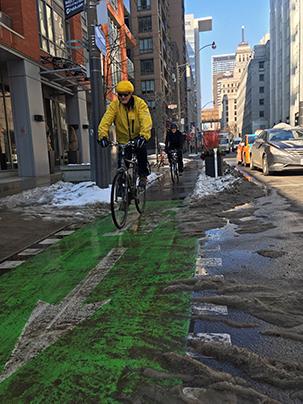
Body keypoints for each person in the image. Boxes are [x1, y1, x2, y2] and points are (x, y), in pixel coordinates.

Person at [98, 80, 152, 187]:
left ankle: (143, 176)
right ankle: (122, 186)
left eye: (125, 94)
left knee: (141, 154)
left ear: (130, 94)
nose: (122, 97)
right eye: (120, 94)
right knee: (122, 163)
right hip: (123, 140)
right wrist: (103, 136)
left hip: (138, 137)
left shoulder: (140, 104)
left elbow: (145, 120)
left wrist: (143, 136)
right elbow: (106, 120)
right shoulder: (115, 105)